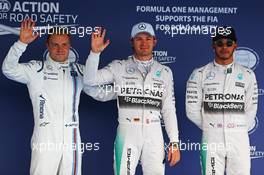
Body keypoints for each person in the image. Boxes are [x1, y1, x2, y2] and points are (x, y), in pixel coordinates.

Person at [2, 19, 115, 175]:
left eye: (64, 45)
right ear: (47, 46)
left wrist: (128, 93)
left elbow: (101, 93)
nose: (60, 49)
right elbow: (8, 69)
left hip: (72, 138)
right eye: (55, 44)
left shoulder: (79, 71)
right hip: (45, 136)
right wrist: (21, 44)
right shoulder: (36, 69)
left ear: (70, 46)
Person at [84, 22, 180, 175]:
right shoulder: (119, 67)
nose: (143, 43)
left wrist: (174, 142)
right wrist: (95, 54)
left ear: (154, 41)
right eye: (138, 39)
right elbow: (89, 81)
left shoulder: (165, 72)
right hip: (127, 132)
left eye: (148, 38)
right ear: (132, 42)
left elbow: (169, 109)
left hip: (154, 133)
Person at [185, 26, 258, 175]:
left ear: (235, 45)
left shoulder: (247, 75)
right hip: (211, 138)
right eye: (220, 43)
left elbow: (251, 110)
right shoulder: (199, 74)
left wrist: (238, 126)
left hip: (239, 138)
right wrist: (211, 125)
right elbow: (191, 111)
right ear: (213, 45)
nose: (224, 47)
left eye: (229, 43)